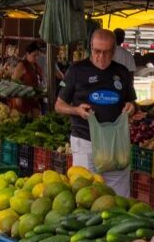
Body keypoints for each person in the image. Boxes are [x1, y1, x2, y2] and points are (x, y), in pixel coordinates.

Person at [56, 29, 136, 197]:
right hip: (86, 142)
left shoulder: (121, 72)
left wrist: (131, 107)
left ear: (114, 50)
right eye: (97, 51)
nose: (101, 57)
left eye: (106, 52)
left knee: (118, 197)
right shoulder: (76, 70)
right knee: (86, 195)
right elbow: (59, 105)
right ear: (90, 48)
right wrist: (76, 110)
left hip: (116, 144)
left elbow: (131, 102)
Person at [9, 41, 43, 115]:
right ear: (28, 54)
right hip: (22, 99)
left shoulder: (36, 66)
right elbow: (13, 82)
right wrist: (17, 97)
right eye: (34, 55)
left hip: (33, 98)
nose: (36, 58)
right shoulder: (22, 65)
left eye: (38, 55)